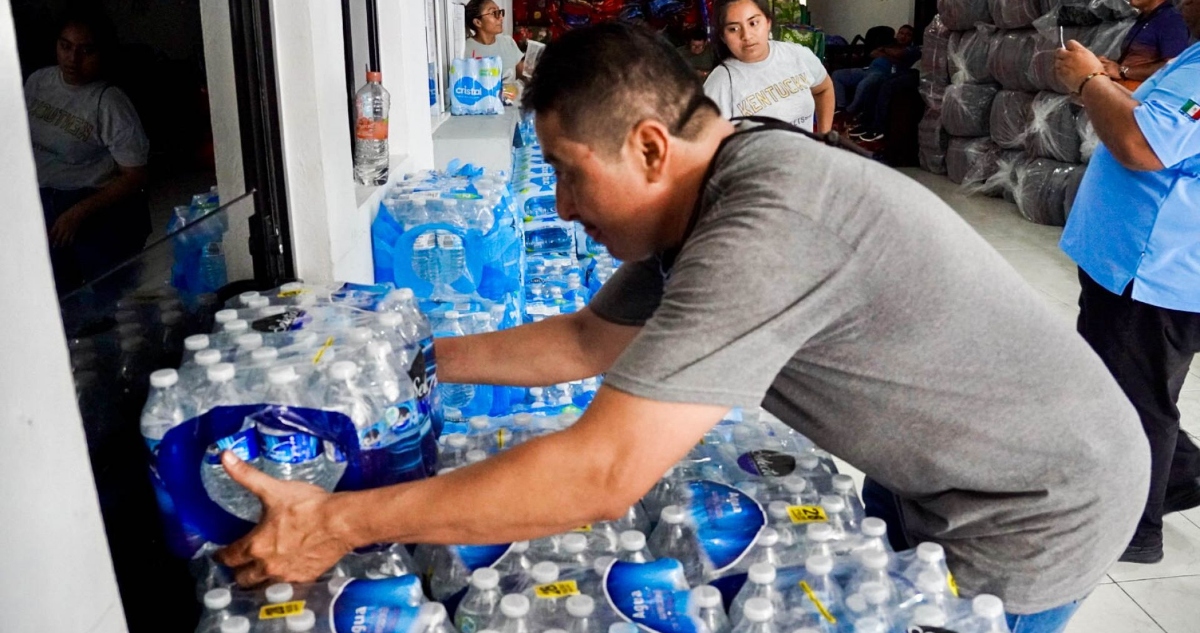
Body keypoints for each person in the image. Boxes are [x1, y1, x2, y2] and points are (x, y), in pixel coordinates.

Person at [217, 23, 1148, 633]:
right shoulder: (719, 187)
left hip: (1035, 504)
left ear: (650, 147)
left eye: (569, 172)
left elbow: (603, 473)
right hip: (939, 471)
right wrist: (399, 366)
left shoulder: (764, 224)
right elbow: (585, 340)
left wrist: (337, 522)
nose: (563, 204)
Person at [1055, 0, 1200, 565]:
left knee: (1133, 402)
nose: (1182, 2)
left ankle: (1133, 530)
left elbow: (1143, 145)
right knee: (1130, 384)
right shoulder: (1191, 56)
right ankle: (1181, 474)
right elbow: (1149, 116)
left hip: (1152, 270)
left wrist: (1089, 81)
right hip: (1134, 265)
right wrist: (1103, 85)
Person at [25, 8, 149, 294]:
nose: (73, 59)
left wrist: (78, 212)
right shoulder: (38, 82)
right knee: (55, 293)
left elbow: (135, 176)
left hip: (93, 203)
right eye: (65, 46)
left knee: (110, 297)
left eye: (86, 50)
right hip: (44, 197)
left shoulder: (109, 102)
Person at [703, 0, 834, 133]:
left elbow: (823, 89)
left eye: (753, 23)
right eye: (733, 29)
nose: (747, 36)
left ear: (768, 23)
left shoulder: (797, 55)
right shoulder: (719, 84)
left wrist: (825, 136)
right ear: (723, 37)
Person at [833, 24, 921, 143]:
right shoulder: (890, 45)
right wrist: (889, 53)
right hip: (867, 69)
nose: (903, 36)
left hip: (882, 73)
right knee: (837, 75)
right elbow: (873, 53)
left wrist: (884, 52)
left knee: (865, 84)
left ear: (912, 38)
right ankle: (841, 107)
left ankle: (849, 111)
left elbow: (898, 55)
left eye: (908, 35)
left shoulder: (912, 50)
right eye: (901, 33)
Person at [1097, 0, 1189, 91]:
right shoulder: (1146, 17)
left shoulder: (1171, 20)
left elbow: (1174, 66)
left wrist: (1123, 71)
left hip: (1141, 97)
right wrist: (1107, 65)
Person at [464, 0, 525, 84]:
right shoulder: (465, 49)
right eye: (494, 13)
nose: (501, 18)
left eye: (500, 12)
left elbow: (523, 72)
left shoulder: (507, 42)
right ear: (478, 22)